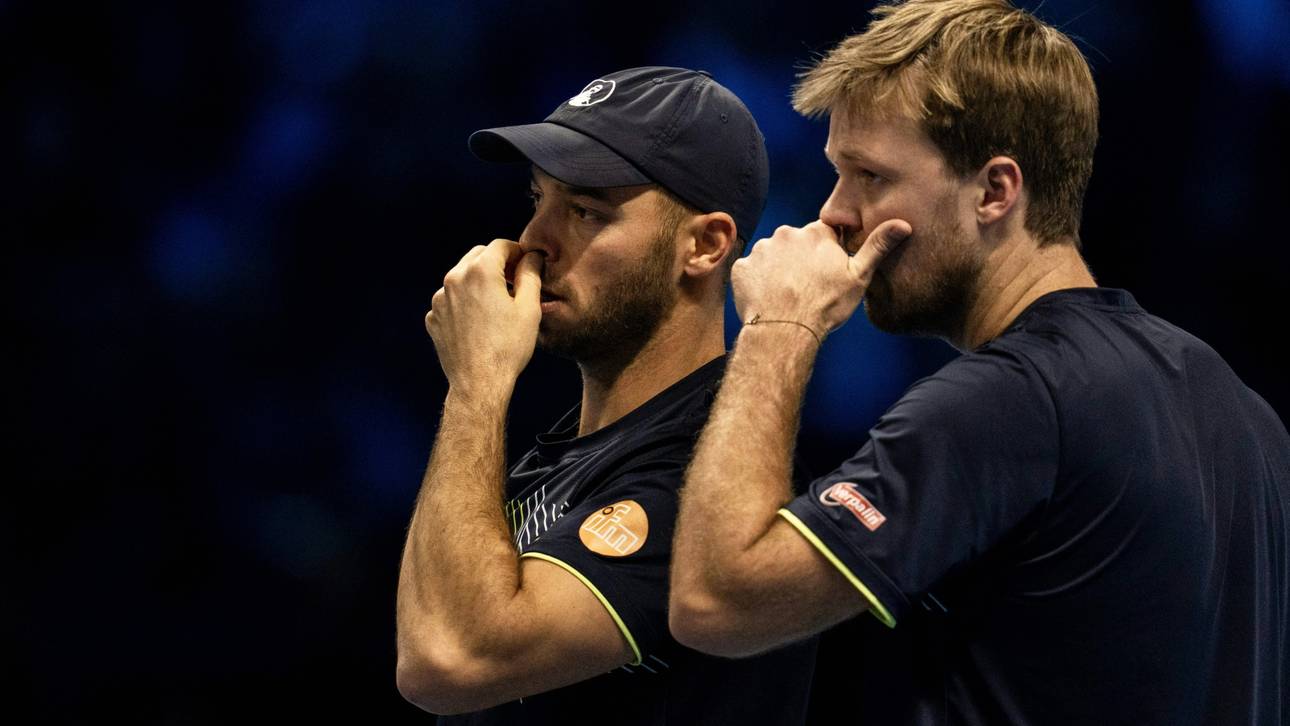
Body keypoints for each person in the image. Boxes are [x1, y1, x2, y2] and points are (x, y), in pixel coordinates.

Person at [668, 2, 1290, 724]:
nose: (834, 213)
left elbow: (714, 601)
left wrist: (778, 327)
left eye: (869, 176)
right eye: (838, 173)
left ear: (995, 191)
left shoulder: (1011, 401)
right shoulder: (1248, 417)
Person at [395, 66, 817, 724]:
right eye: (538, 198)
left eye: (586, 211)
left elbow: (448, 659)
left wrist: (477, 383)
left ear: (706, 246)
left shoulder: (710, 475)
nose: (534, 240)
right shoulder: (564, 454)